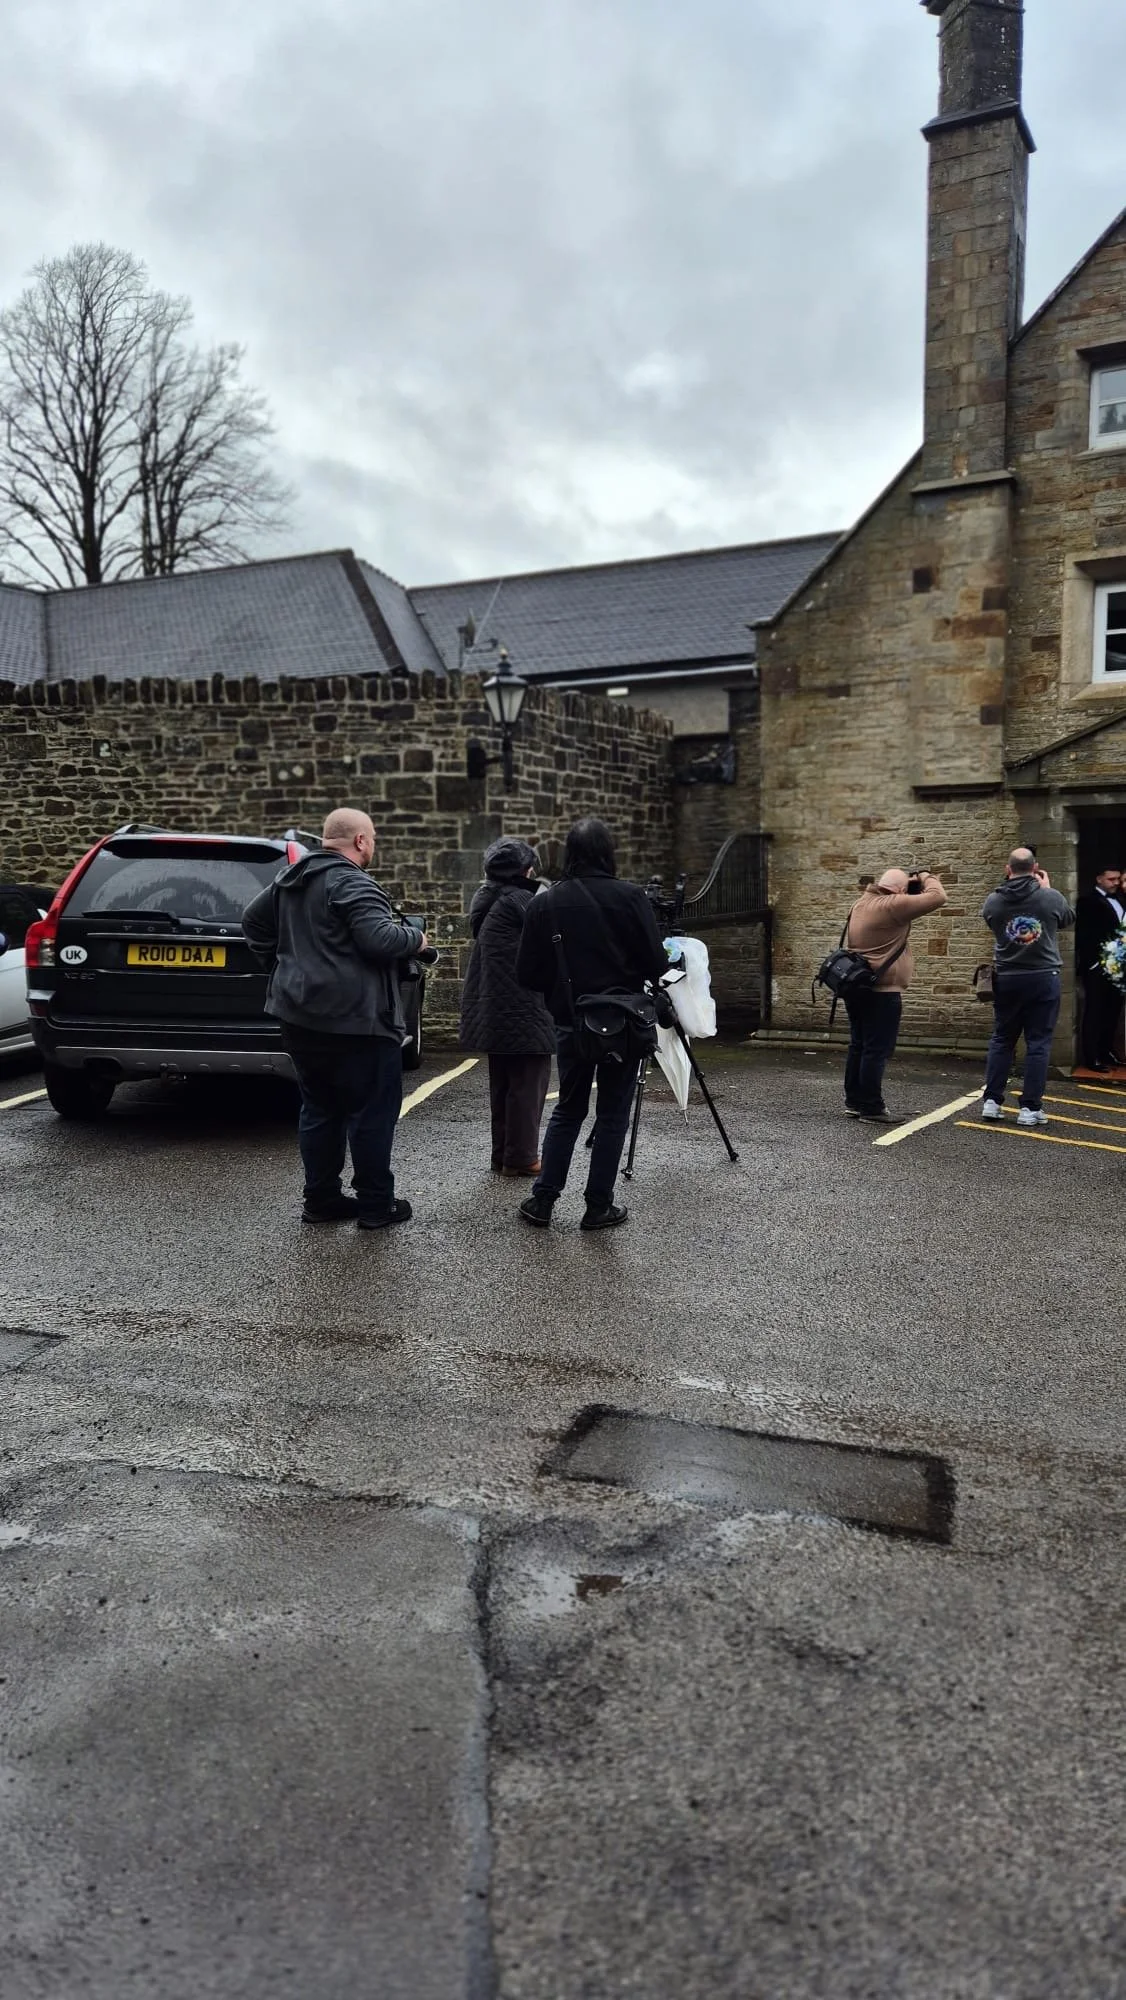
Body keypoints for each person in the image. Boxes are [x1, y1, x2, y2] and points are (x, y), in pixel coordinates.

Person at [242, 808, 426, 1227]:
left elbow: (253, 923)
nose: (373, 844)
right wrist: (417, 938)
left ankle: (322, 1199)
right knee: (371, 1113)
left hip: (300, 1016)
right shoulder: (353, 882)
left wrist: (285, 965)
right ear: (360, 841)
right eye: (373, 838)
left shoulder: (290, 879)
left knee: (320, 1108)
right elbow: (380, 938)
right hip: (357, 1020)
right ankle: (377, 1205)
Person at [513, 817, 667, 1231]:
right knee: (613, 1113)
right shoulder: (631, 897)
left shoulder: (544, 903)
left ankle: (543, 1200)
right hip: (623, 1024)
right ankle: (598, 1206)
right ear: (608, 852)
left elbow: (526, 972)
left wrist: (563, 992)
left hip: (571, 1021)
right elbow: (656, 963)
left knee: (568, 1108)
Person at [459, 837, 555, 1177]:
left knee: (503, 1084)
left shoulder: (486, 900)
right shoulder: (523, 901)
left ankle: (503, 1154)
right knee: (528, 1085)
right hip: (526, 1006)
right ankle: (522, 1158)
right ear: (525, 870)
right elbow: (554, 942)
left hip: (492, 1007)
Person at [840, 867, 947, 1122]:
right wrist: (925, 876)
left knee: (859, 1045)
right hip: (882, 991)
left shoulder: (862, 902)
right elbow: (938, 897)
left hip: (859, 988)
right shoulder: (893, 905)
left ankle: (855, 1101)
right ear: (900, 890)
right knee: (875, 1050)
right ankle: (872, 1108)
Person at [980, 847, 1075, 1126]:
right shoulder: (1049, 897)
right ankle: (1029, 1108)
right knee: (1038, 1043)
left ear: (1008, 870)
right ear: (1035, 869)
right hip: (1043, 977)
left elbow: (991, 922)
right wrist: (1046, 888)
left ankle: (992, 1101)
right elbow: (1068, 919)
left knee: (1002, 1039)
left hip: (1007, 977)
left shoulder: (994, 900)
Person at [1074, 866, 1125, 1073]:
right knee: (1095, 1010)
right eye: (1110, 879)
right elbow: (1084, 935)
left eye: (1117, 879)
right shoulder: (1088, 901)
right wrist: (1093, 963)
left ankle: (1106, 1051)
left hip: (1118, 966)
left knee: (1112, 1010)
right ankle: (1091, 1056)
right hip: (1098, 966)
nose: (1114, 883)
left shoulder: (1120, 899)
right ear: (1099, 879)